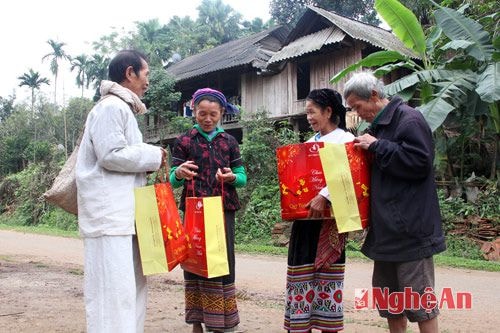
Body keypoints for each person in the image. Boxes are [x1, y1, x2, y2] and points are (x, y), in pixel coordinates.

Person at [344, 71, 446, 333]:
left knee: (420, 303)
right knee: (390, 302)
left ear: (375, 96)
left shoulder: (408, 119)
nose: (357, 113)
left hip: (411, 231)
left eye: (357, 106)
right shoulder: (377, 127)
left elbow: (420, 163)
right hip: (386, 232)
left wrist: (377, 146)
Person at [76, 49, 166, 333]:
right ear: (130, 73)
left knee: (128, 291)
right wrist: (154, 156)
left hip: (124, 218)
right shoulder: (111, 107)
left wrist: (150, 157)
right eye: (146, 74)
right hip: (109, 219)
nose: (148, 81)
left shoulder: (121, 108)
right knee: (112, 295)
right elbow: (111, 154)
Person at [169, 88, 247, 333]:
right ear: (194, 111)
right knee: (194, 261)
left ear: (222, 113)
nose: (207, 119)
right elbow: (172, 179)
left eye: (213, 114)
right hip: (194, 209)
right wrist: (179, 173)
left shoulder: (229, 142)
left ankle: (222, 322)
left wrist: (232, 176)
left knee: (222, 262)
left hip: (223, 209)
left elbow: (243, 178)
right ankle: (196, 321)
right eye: (202, 113)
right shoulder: (184, 141)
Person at [284, 88, 355, 333]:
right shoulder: (308, 144)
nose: (309, 118)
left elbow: (350, 175)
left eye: (312, 112)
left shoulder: (345, 140)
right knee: (301, 270)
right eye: (307, 114)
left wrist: (324, 196)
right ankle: (301, 324)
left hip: (329, 224)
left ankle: (327, 325)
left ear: (328, 111)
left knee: (328, 276)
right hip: (305, 221)